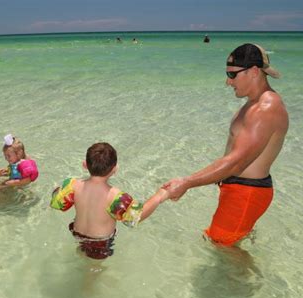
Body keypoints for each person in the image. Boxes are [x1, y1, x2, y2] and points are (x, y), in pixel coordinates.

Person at [163, 43, 289, 246]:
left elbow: (237, 162)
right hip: (240, 190)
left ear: (254, 71)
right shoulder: (254, 104)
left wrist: (187, 182)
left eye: (232, 75)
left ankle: (249, 277)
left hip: (246, 193)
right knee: (230, 243)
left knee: (222, 249)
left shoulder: (266, 109)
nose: (228, 82)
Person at [50, 142, 168, 259]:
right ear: (115, 169)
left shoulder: (72, 185)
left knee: (81, 257)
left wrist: (56, 190)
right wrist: (159, 196)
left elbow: (57, 204)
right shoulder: (115, 196)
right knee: (92, 274)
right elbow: (136, 216)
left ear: (85, 165)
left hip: (77, 234)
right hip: (99, 244)